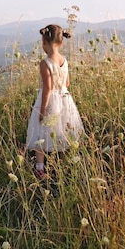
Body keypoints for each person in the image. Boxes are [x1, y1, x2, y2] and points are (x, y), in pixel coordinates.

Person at [25, 24, 84, 179]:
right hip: (65, 99)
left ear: (44, 42)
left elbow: (47, 88)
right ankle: (66, 165)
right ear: (61, 42)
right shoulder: (64, 61)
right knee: (63, 131)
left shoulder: (45, 63)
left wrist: (42, 110)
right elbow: (68, 83)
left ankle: (40, 168)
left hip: (50, 100)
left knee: (40, 133)